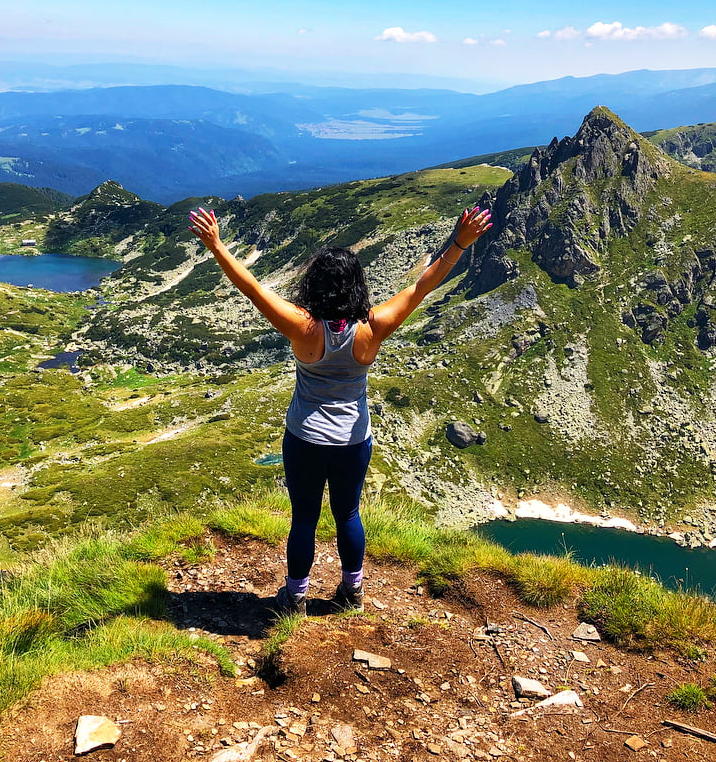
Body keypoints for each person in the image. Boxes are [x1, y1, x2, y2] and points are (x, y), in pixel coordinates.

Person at [188, 205, 492, 614]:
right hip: (353, 439)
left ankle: (295, 597)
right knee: (348, 512)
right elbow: (423, 286)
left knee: (304, 519)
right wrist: (459, 243)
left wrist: (217, 247)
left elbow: (254, 289)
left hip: (306, 438)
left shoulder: (302, 325)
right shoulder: (373, 326)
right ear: (356, 285)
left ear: (314, 285)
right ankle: (352, 592)